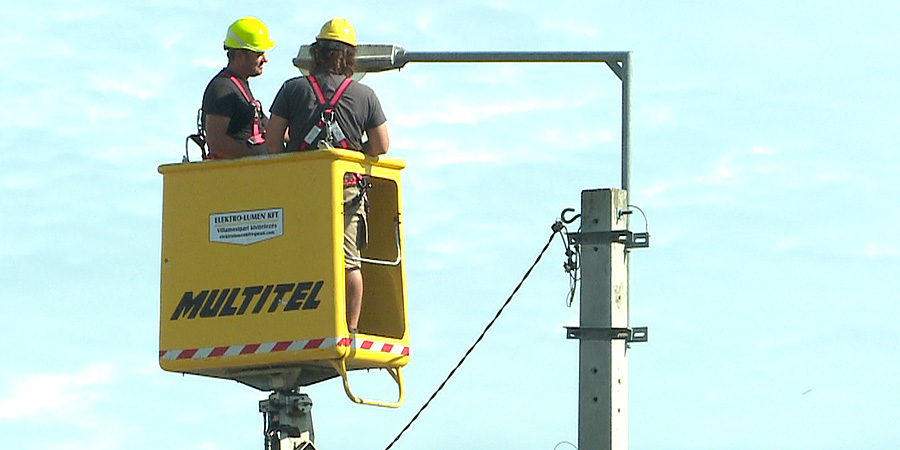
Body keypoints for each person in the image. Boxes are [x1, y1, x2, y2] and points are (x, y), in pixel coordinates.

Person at [266, 17, 389, 333]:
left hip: (299, 187)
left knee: (297, 259)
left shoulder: (292, 90)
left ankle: (298, 324)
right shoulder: (365, 96)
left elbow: (270, 143)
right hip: (345, 188)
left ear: (317, 54)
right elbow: (381, 145)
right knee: (349, 261)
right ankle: (351, 329)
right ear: (349, 58)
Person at [201, 17, 275, 159]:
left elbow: (272, 128)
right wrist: (255, 155)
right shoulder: (222, 88)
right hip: (234, 176)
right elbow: (216, 142)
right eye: (259, 54)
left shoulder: (238, 86)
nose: (265, 59)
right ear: (241, 55)